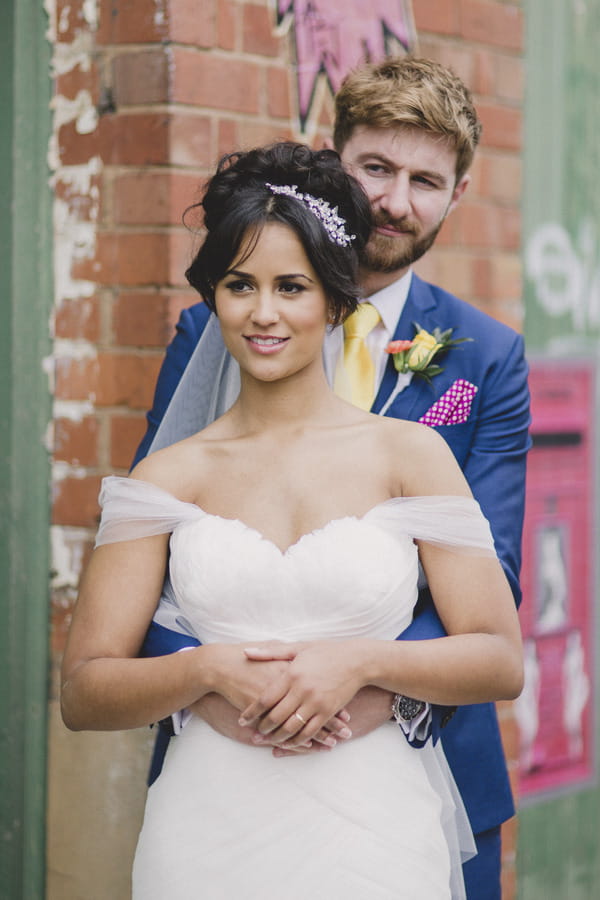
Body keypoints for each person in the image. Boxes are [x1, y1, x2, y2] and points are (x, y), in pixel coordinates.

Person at [61, 141, 523, 899]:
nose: (264, 313)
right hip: (207, 829)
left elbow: (499, 659)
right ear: (214, 297)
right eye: (240, 285)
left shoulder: (412, 455)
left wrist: (362, 663)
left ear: (336, 302)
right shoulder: (168, 477)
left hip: (374, 830)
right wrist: (204, 671)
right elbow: (84, 691)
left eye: (292, 286)